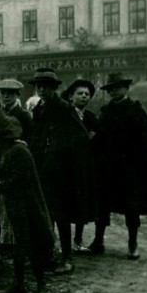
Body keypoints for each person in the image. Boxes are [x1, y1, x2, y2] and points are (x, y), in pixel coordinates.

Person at [27, 68, 94, 274]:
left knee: (62, 215)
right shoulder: (39, 107)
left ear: (54, 88)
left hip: (61, 172)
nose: (41, 89)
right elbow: (35, 136)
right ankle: (48, 254)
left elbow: (81, 136)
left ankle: (67, 258)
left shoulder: (64, 108)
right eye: (38, 85)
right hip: (42, 169)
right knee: (46, 213)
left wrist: (59, 150)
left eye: (45, 85)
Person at [0, 111, 54, 293]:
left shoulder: (19, 152)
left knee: (33, 247)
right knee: (19, 246)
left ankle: (42, 289)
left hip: (28, 207)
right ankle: (19, 285)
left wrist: (2, 185)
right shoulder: (10, 150)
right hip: (16, 206)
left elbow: (20, 179)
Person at [90, 73, 147, 260]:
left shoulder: (136, 112)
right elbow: (99, 139)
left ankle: (132, 243)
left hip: (130, 169)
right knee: (102, 204)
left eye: (117, 88)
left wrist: (143, 168)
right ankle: (98, 240)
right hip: (107, 168)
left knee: (131, 206)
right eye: (110, 89)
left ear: (126, 89)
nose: (113, 92)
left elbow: (146, 145)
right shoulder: (106, 111)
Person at [0, 79, 33, 251]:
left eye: (10, 93)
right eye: (3, 93)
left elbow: (28, 142)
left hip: (13, 166)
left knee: (14, 205)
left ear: (17, 95)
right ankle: (1, 239)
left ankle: (16, 244)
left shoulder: (24, 115)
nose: (6, 96)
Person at [62, 79, 101, 252]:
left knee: (81, 204)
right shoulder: (65, 115)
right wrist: (85, 138)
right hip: (67, 167)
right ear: (71, 96)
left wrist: (94, 139)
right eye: (80, 93)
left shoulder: (92, 117)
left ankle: (77, 241)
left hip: (85, 168)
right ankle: (64, 244)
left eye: (87, 94)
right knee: (64, 204)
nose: (84, 96)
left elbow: (100, 140)